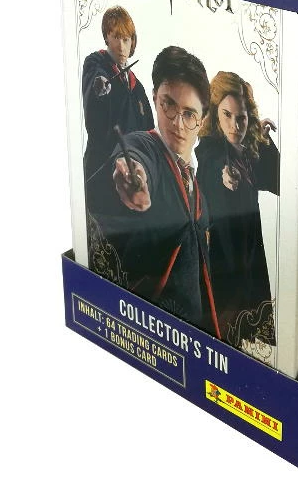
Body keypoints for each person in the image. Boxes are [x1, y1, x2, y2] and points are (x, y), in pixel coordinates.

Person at [91, 46, 221, 337]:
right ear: (154, 98)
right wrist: (131, 175)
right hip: (147, 331)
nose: (177, 122)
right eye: (168, 105)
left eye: (189, 114)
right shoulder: (143, 145)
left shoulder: (199, 190)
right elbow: (134, 159)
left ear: (202, 121)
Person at [196, 71, 279, 348]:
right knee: (224, 333)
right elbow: (213, 170)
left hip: (249, 255)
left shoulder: (248, 149)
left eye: (241, 118)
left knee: (248, 336)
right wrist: (226, 176)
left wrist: (264, 141)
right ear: (216, 115)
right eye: (227, 115)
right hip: (223, 259)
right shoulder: (210, 152)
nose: (234, 125)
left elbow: (280, 182)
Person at [82, 6, 153, 200]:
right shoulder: (96, 63)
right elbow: (97, 84)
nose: (121, 46)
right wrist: (100, 87)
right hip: (100, 172)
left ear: (132, 42)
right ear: (107, 36)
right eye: (115, 37)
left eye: (126, 39)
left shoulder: (137, 87)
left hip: (131, 177)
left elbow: (148, 131)